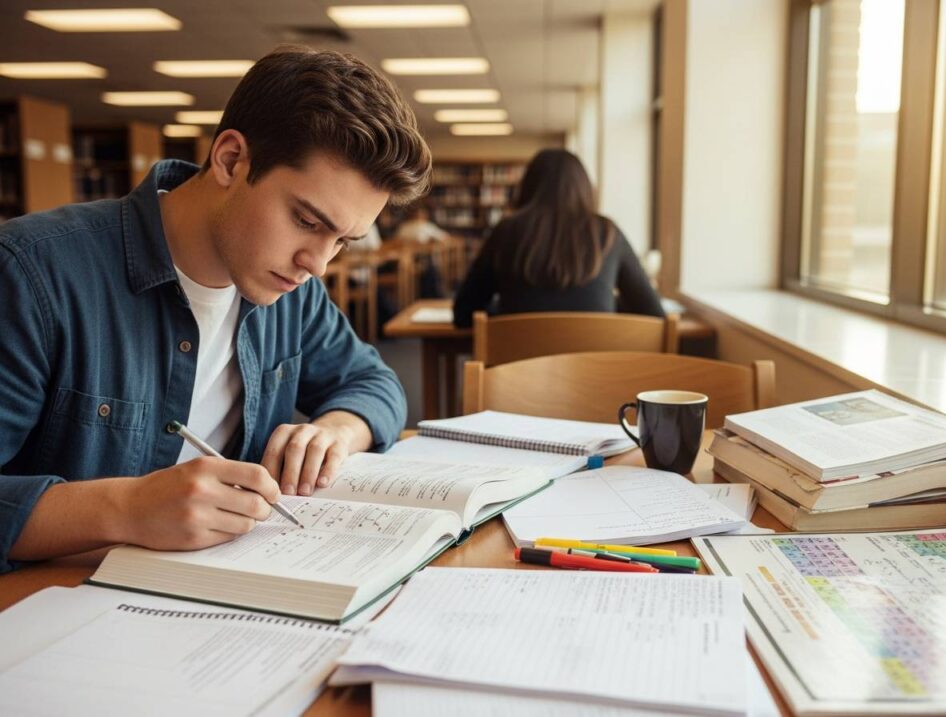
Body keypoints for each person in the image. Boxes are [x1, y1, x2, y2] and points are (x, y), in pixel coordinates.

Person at [0, 47, 431, 572]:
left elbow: (374, 384)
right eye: (306, 220)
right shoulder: (29, 274)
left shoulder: (293, 291)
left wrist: (336, 431)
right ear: (230, 160)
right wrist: (125, 509)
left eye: (343, 240)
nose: (318, 264)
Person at [452, 149, 664, 328]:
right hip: (594, 375)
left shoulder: (506, 230)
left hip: (516, 375)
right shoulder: (608, 233)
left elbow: (464, 313)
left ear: (527, 188)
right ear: (584, 188)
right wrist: (604, 305)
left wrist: (507, 312)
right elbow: (653, 313)